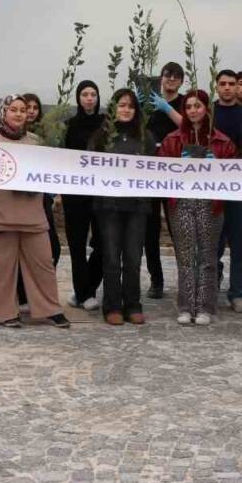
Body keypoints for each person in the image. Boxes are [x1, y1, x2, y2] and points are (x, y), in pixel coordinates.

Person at [0, 95, 70, 329]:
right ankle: (5, 312)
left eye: (23, 110)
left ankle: (50, 309)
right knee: (2, 268)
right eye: (13, 109)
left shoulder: (36, 143)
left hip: (32, 215)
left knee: (43, 263)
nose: (18, 114)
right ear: (4, 113)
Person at [159, 90, 237, 325]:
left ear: (206, 109)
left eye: (198, 106)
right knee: (185, 257)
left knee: (207, 256)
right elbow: (159, 167)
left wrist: (218, 163)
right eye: (189, 107)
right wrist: (175, 163)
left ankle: (205, 307)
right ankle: (185, 306)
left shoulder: (221, 140)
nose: (193, 110)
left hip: (210, 204)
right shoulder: (173, 139)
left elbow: (235, 170)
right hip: (181, 202)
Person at [90, 88, 155, 325]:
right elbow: (88, 168)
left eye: (130, 106)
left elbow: (156, 170)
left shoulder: (145, 137)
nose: (125, 110)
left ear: (135, 110)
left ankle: (133, 304)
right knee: (110, 257)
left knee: (133, 258)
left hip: (137, 207)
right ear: (113, 108)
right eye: (121, 105)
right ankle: (112, 306)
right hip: (109, 207)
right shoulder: (101, 137)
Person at [144, 61, 187, 299]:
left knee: (178, 227)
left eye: (176, 76)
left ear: (181, 81)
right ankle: (156, 280)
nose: (171, 79)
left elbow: (189, 127)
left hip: (175, 173)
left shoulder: (184, 103)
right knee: (150, 230)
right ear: (161, 78)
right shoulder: (150, 102)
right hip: (150, 173)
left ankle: (185, 278)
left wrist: (167, 109)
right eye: (167, 75)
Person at [212, 69, 242, 313]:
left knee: (240, 242)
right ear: (216, 86)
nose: (228, 87)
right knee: (212, 242)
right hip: (213, 186)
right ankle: (210, 287)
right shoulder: (209, 113)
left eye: (232, 84)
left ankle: (238, 292)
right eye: (223, 83)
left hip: (239, 186)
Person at [62, 80, 105, 311]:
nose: (89, 98)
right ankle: (84, 293)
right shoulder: (68, 126)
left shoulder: (106, 125)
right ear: (78, 98)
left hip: (99, 194)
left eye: (93, 94)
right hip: (75, 195)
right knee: (77, 246)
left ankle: (85, 288)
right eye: (85, 94)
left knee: (102, 244)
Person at [19, 93, 61, 308]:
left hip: (41, 197)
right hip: (17, 201)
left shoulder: (47, 137)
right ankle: (22, 294)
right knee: (20, 247)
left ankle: (38, 291)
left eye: (35, 107)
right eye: (27, 107)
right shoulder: (11, 135)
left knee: (52, 247)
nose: (32, 110)